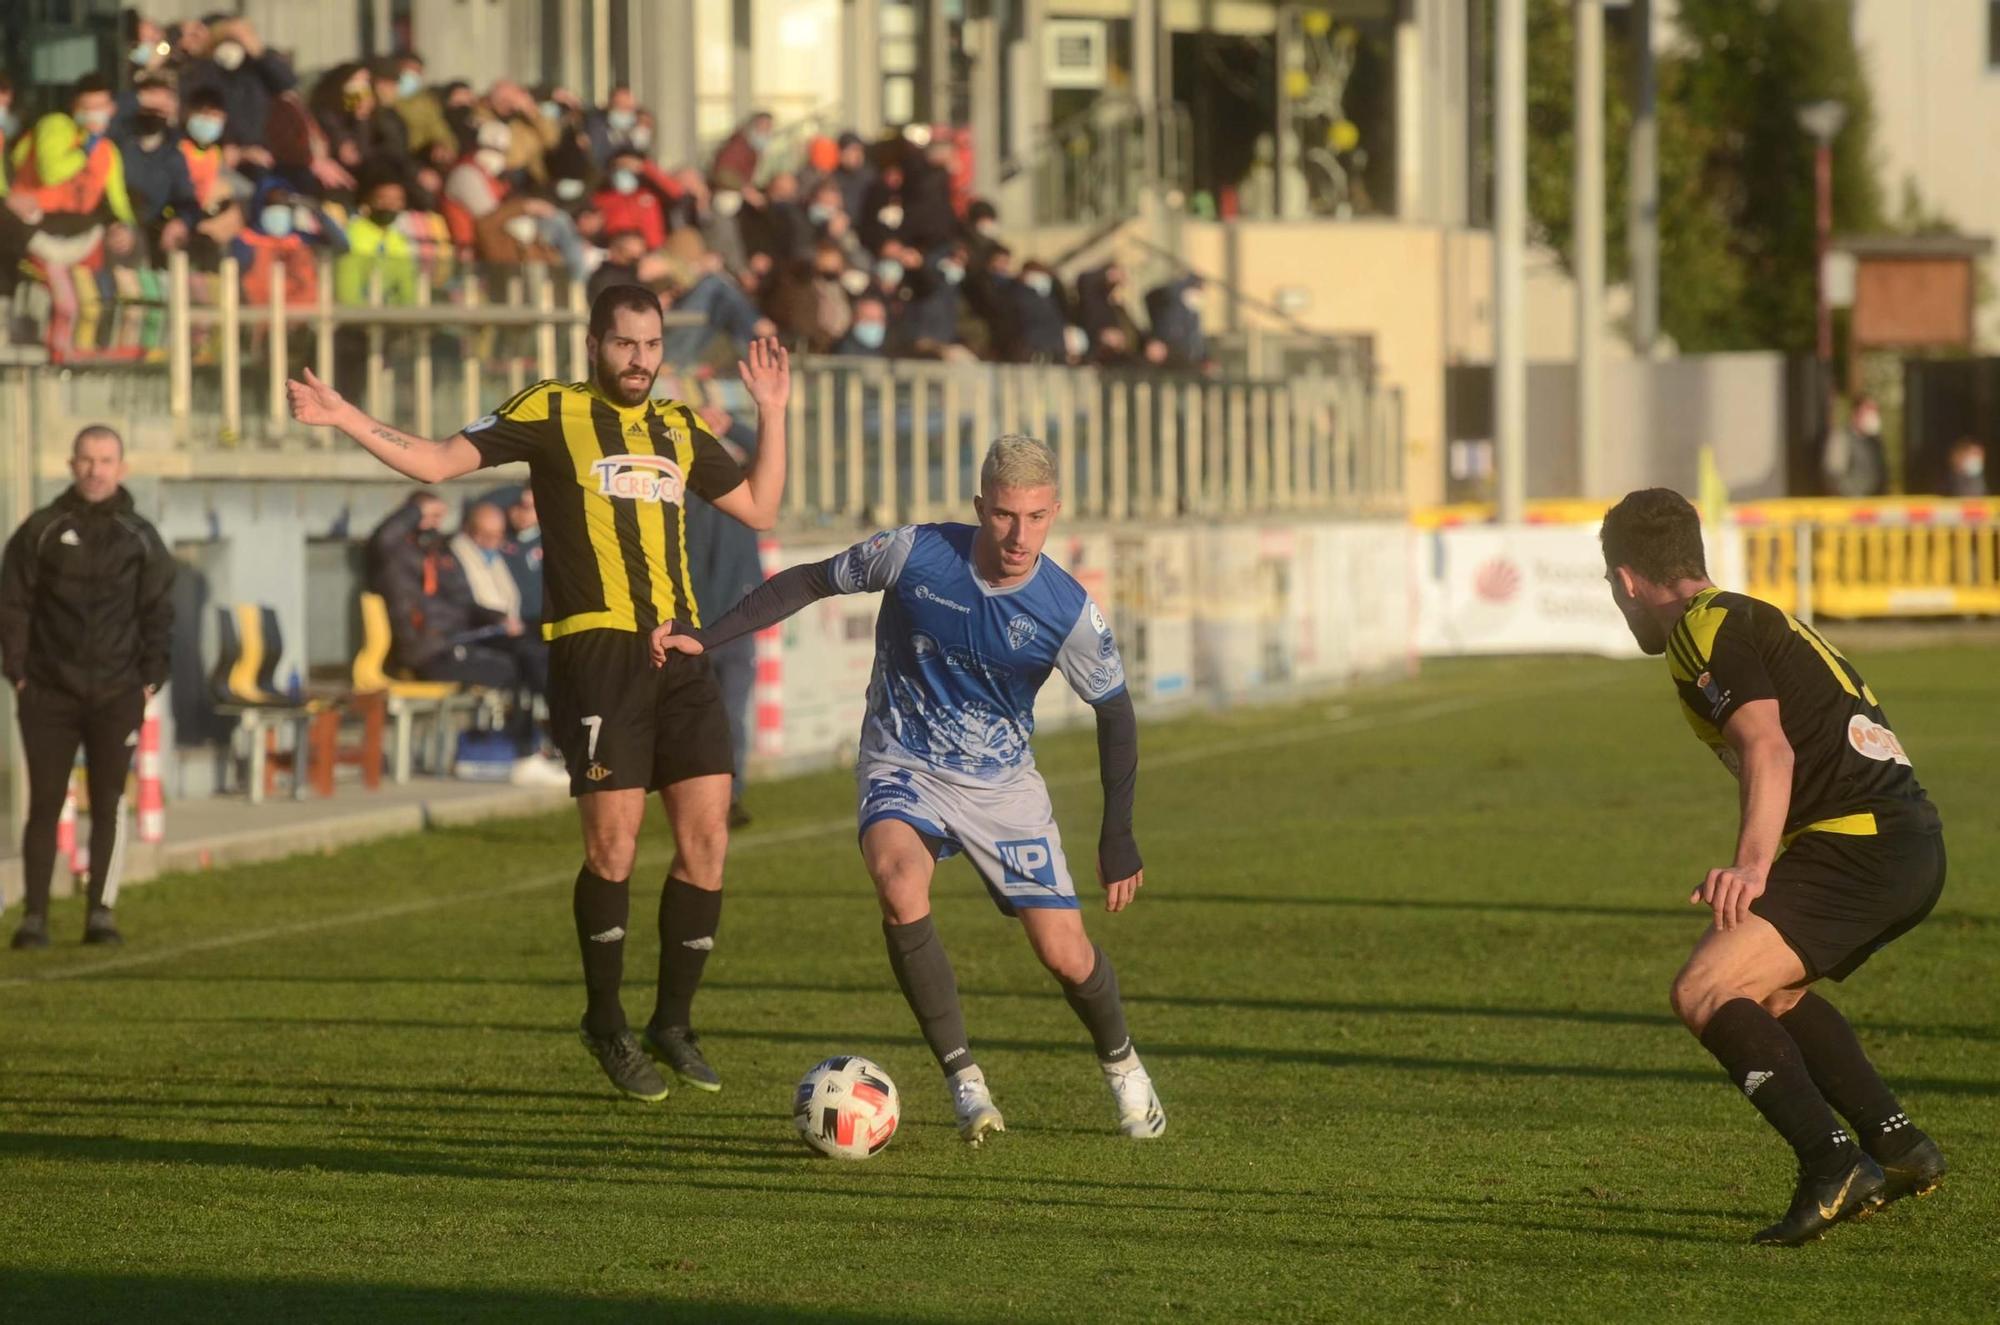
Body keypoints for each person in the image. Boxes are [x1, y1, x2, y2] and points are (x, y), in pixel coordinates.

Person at [286, 286, 790, 1103]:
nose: (640, 359)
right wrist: (346, 416)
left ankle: (673, 1022)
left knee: (707, 839)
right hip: (594, 652)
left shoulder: (679, 425)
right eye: (624, 344)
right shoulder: (550, 410)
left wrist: (773, 410)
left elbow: (761, 507)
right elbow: (436, 461)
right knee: (614, 848)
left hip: (681, 649)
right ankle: (605, 1020)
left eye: (652, 344)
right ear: (594, 344)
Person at [655, 435, 1164, 1143]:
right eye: (1006, 515)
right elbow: (809, 579)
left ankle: (1124, 1067)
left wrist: (1118, 833)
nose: (1019, 534)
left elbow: (1115, 711)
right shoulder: (914, 553)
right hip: (904, 762)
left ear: (1056, 512)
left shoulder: (1067, 610)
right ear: (980, 505)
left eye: (1037, 517)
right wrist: (706, 638)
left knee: (1064, 952)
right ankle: (966, 1083)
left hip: (1001, 788)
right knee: (898, 883)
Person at [1599, 488, 1947, 1246]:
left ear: (1627, 581)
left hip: (1861, 843)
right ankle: (1898, 1143)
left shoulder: (1699, 629)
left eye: (1611, 587)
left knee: (1704, 989)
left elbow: (1768, 745)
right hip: (1906, 841)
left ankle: (1833, 1164)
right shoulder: (1745, 614)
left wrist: (1752, 867)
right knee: (1769, 993)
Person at [0, 427, 174, 949]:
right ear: (72, 464)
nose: (96, 469)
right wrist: (20, 676)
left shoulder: (140, 536)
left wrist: (148, 681)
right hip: (48, 694)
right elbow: (12, 607)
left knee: (107, 804)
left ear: (121, 468)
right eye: (87, 459)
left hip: (117, 694)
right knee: (45, 804)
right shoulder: (41, 530)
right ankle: (34, 917)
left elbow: (160, 614)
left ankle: (101, 912)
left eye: (106, 460)